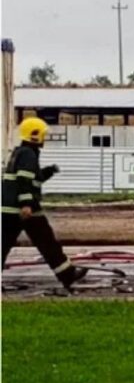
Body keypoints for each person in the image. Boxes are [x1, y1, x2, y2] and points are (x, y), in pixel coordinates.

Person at [2, 117, 88, 290]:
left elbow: (33, 178)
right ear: (35, 135)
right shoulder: (28, 154)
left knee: (7, 243)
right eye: (42, 134)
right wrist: (26, 204)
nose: (45, 138)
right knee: (47, 242)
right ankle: (67, 274)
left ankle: (67, 274)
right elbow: (24, 180)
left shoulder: (22, 152)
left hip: (11, 209)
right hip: (23, 209)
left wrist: (49, 171)